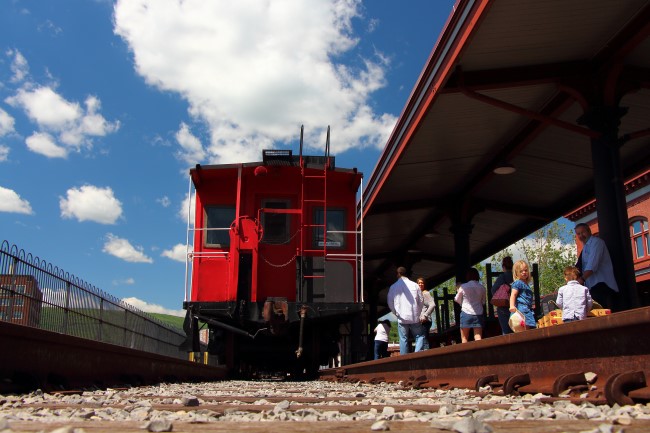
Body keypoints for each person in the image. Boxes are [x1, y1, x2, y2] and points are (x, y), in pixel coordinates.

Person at [574, 223, 619, 310]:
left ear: (589, 231)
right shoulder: (585, 248)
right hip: (592, 288)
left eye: (582, 232)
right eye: (578, 234)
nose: (581, 236)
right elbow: (579, 267)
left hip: (602, 286)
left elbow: (592, 265)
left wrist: (581, 280)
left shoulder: (596, 242)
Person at [387, 266, 426, 354]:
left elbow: (390, 302)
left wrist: (395, 312)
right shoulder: (415, 285)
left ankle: (404, 359)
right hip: (414, 316)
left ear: (398, 274)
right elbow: (421, 300)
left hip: (402, 317)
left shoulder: (393, 287)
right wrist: (418, 312)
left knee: (403, 339)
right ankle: (417, 354)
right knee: (419, 336)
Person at [454, 268, 486, 343]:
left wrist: (462, 304)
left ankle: (465, 354)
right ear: (477, 276)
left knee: (464, 338)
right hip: (478, 313)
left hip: (466, 313)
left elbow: (456, 299)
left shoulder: (463, 286)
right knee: (478, 337)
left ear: (468, 276)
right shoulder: (482, 288)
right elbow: (483, 302)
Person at [509, 260, 536, 330]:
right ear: (516, 273)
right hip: (522, 308)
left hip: (527, 308)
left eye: (526, 270)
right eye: (521, 271)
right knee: (524, 326)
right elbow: (513, 295)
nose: (524, 272)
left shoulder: (526, 284)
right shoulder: (518, 283)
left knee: (529, 326)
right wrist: (511, 306)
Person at [491, 256, 514, 335]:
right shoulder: (516, 276)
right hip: (516, 306)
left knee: (506, 331)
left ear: (503, 267)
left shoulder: (502, 277)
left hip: (503, 307)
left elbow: (493, 290)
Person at [417, 277, 435, 349]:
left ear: (424, 284)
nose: (420, 284)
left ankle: (426, 356)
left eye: (422, 283)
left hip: (425, 321)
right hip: (419, 321)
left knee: (424, 340)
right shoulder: (418, 294)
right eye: (419, 283)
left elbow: (432, 305)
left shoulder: (426, 293)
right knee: (421, 340)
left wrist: (425, 315)